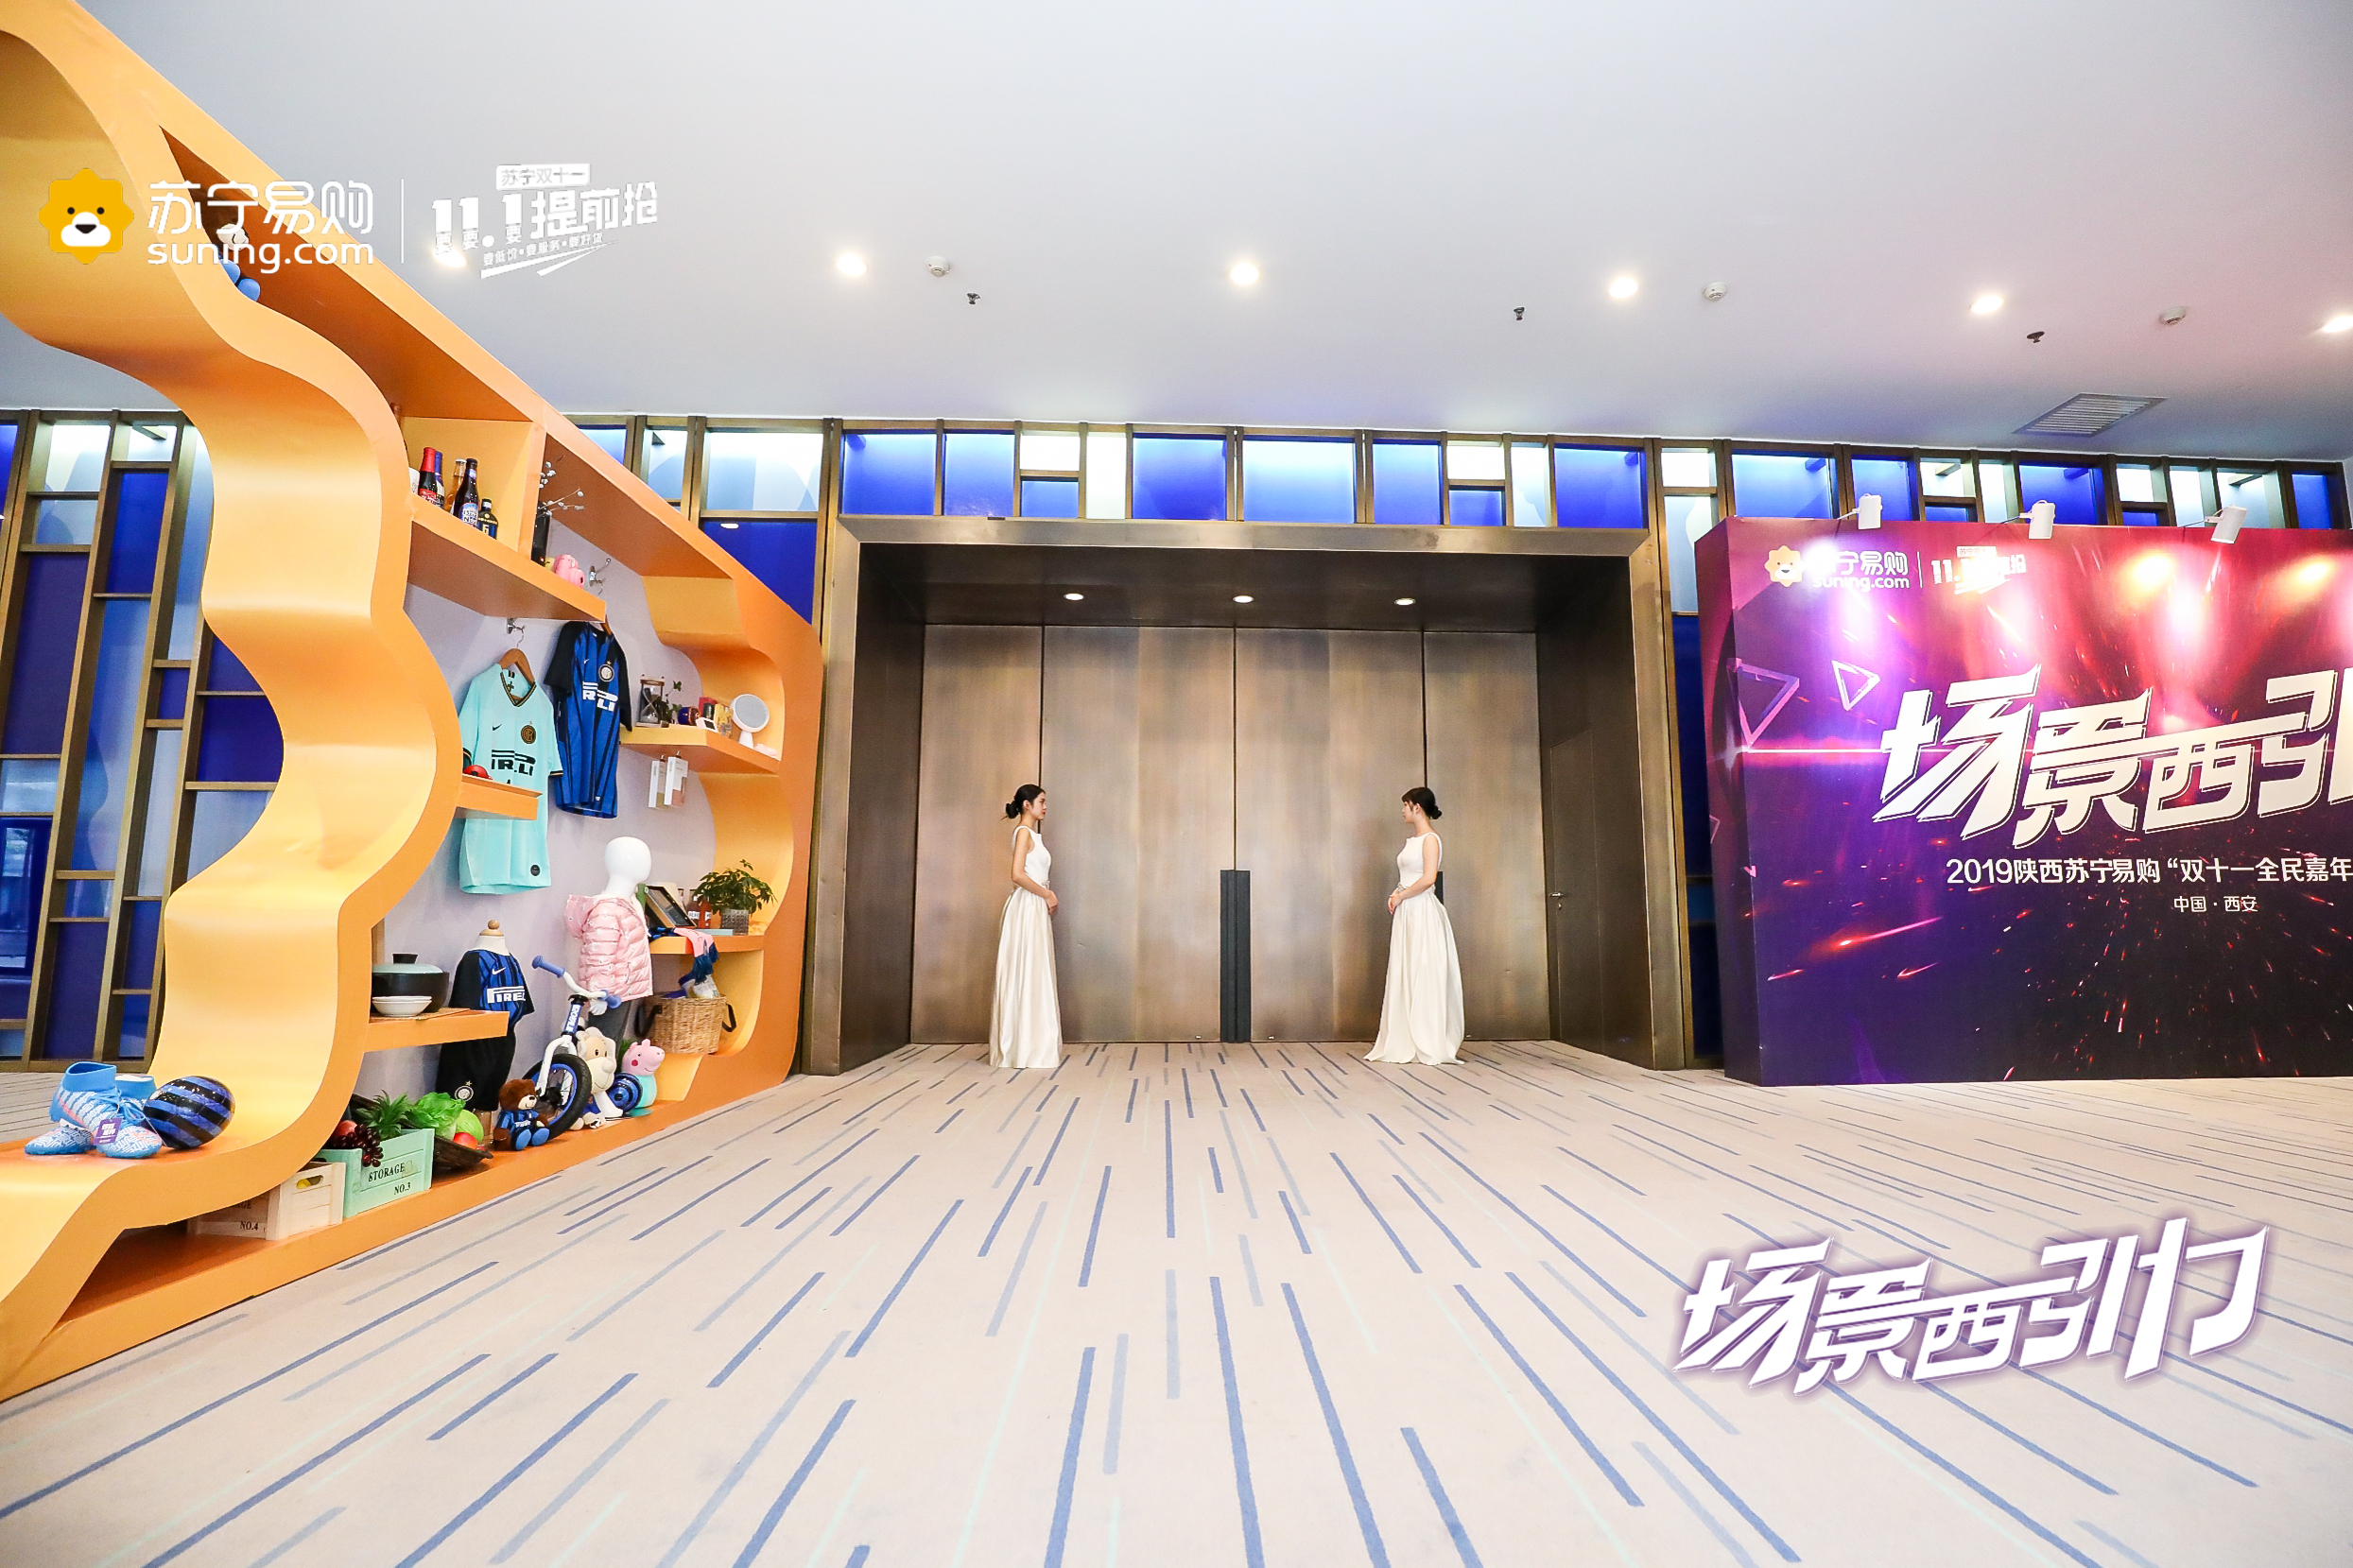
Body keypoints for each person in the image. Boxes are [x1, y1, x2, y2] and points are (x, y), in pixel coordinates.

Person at [1366, 785, 1464, 1065]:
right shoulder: (1414, 840)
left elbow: (1429, 878)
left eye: (1405, 805)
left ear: (1416, 807)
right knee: (1406, 967)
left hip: (1421, 909)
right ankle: (1405, 1036)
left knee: (1423, 968)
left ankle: (1427, 1037)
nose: (1402, 811)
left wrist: (1401, 895)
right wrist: (1398, 894)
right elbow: (1411, 876)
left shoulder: (1430, 839)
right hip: (1408, 908)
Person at [990, 784, 1062, 1069]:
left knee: (1033, 969)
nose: (1045, 807)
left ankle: (1031, 1045)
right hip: (1028, 905)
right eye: (1041, 802)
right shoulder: (1023, 833)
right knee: (1027, 968)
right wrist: (1047, 894)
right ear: (1026, 805)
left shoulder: (1032, 835)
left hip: (1033, 905)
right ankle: (1023, 1047)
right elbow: (1017, 874)